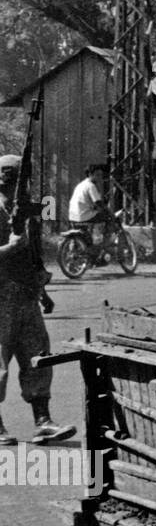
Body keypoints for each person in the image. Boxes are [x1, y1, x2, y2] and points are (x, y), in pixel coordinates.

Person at [0, 153, 76, 446]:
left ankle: (43, 421)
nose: (23, 189)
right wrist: (8, 247)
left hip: (26, 297)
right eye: (17, 182)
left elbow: (33, 256)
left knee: (38, 358)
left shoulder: (27, 213)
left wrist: (42, 291)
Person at [69, 164, 113, 249]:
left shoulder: (81, 185)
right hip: (84, 215)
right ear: (90, 174)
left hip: (73, 216)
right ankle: (102, 243)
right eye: (97, 175)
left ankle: (90, 242)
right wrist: (108, 211)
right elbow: (98, 202)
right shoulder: (91, 186)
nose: (99, 177)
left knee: (97, 217)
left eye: (100, 175)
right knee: (108, 218)